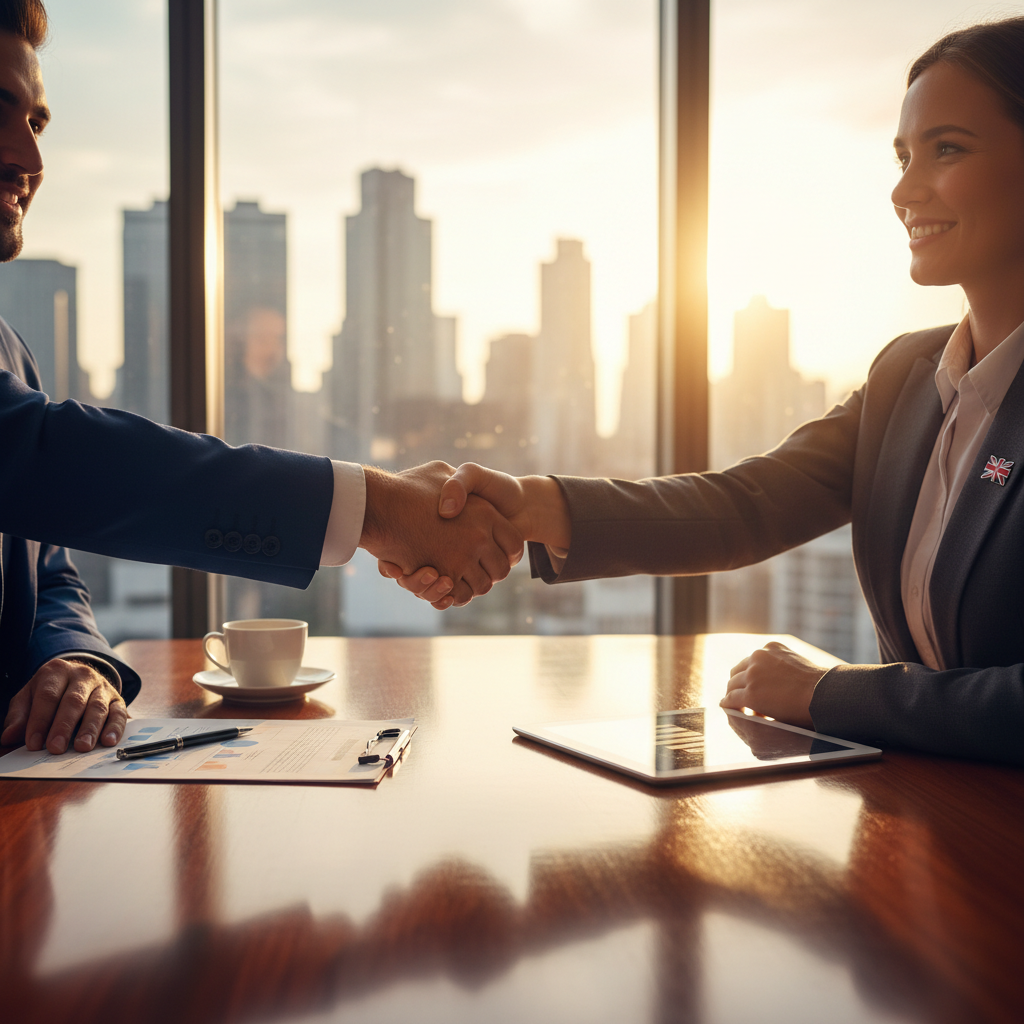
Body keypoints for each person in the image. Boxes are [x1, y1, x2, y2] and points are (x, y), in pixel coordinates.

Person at [385, 17, 1024, 766]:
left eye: (947, 149)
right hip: (913, 829)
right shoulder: (905, 380)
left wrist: (829, 694)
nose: (904, 188)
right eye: (903, 155)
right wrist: (531, 505)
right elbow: (742, 507)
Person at [0, 1, 521, 757]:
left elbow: (47, 568)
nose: (31, 158)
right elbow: (60, 461)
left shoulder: (7, 349)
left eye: (38, 122)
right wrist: (374, 506)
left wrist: (72, 660)